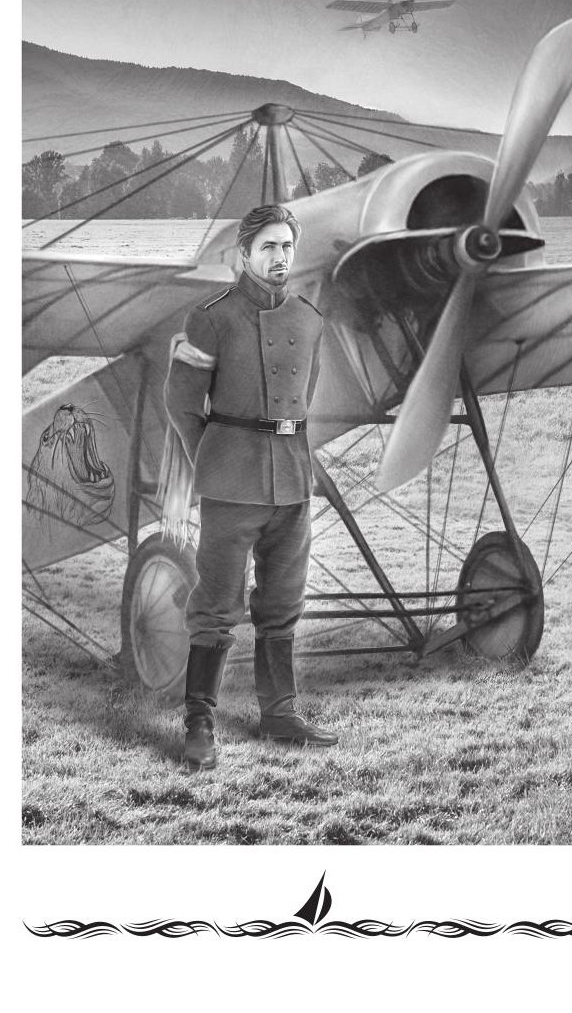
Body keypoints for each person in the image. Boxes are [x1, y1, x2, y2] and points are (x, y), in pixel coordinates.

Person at [164, 204, 339, 769]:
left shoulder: (309, 319)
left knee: (283, 601)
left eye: (286, 246)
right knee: (217, 605)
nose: (279, 256)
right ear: (244, 254)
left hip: (292, 479)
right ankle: (199, 722)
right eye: (268, 246)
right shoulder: (211, 317)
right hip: (231, 483)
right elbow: (182, 402)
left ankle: (280, 713)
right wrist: (216, 459)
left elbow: (304, 399)